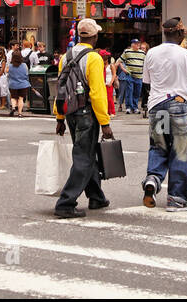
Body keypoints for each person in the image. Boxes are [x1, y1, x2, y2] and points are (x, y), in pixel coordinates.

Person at [142, 16, 187, 211]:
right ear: (178, 34)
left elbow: (146, 84)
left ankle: (153, 178)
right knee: (181, 151)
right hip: (178, 104)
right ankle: (176, 199)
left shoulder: (151, 53)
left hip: (157, 105)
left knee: (159, 147)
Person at [53, 19, 113, 218]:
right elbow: (97, 93)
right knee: (84, 156)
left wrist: (59, 117)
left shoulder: (65, 56)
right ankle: (66, 202)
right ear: (94, 37)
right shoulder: (94, 58)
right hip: (87, 112)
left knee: (86, 153)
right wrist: (105, 122)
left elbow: (60, 89)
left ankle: (96, 196)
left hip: (70, 112)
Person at [118, 39, 145, 113]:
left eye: (138, 44)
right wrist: (124, 69)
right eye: (136, 44)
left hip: (139, 75)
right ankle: (129, 107)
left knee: (137, 92)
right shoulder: (127, 51)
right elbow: (119, 61)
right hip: (130, 75)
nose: (137, 45)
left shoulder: (143, 53)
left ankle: (135, 107)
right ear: (132, 44)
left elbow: (145, 63)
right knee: (129, 91)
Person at [8, 43, 31, 117]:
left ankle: (13, 107)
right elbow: (27, 74)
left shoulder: (10, 66)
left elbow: (7, 72)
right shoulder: (24, 65)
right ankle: (20, 113)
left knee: (13, 97)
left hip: (13, 84)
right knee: (21, 98)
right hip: (23, 84)